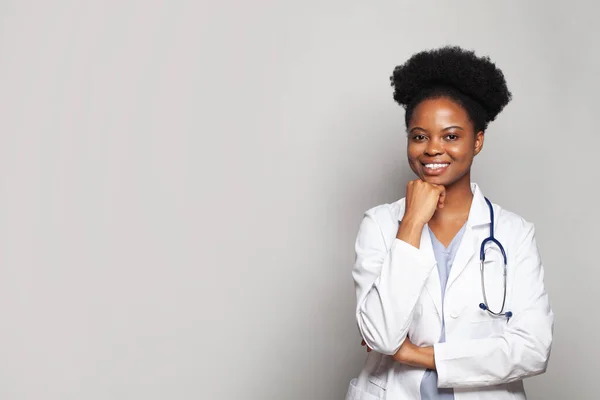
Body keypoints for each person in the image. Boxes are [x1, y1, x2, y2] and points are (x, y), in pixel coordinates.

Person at [345, 46, 554, 400]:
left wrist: (417, 354)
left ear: (478, 141)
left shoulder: (513, 233)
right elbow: (380, 335)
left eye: (451, 136)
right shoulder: (381, 224)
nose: (432, 149)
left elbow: (533, 349)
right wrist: (411, 222)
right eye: (419, 136)